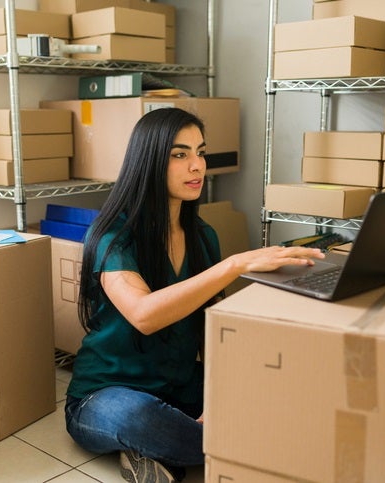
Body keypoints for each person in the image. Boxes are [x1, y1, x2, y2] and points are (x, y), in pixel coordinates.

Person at [64, 107, 324, 483]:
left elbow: (210, 327)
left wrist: (226, 387)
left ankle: (166, 447)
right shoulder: (112, 236)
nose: (197, 166)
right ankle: (189, 439)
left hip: (177, 385)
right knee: (139, 416)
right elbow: (143, 314)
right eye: (180, 154)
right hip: (106, 395)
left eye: (200, 152)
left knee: (277, 391)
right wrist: (234, 265)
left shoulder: (202, 236)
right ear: (149, 161)